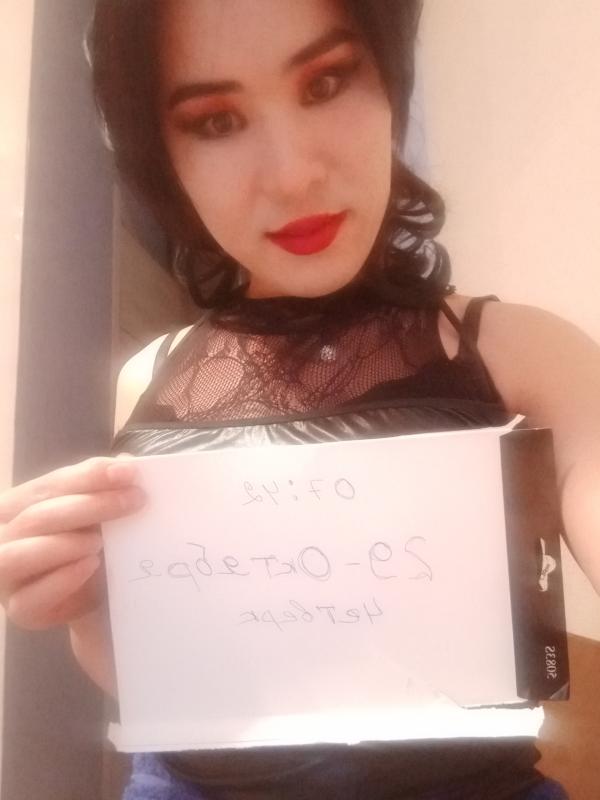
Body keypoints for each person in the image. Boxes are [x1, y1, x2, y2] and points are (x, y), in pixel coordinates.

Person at [1, 0, 598, 797]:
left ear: (390, 80)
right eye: (215, 122)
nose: (290, 175)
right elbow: (159, 685)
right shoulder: (150, 374)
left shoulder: (525, 352)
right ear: (162, 156)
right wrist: (83, 604)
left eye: (326, 82)